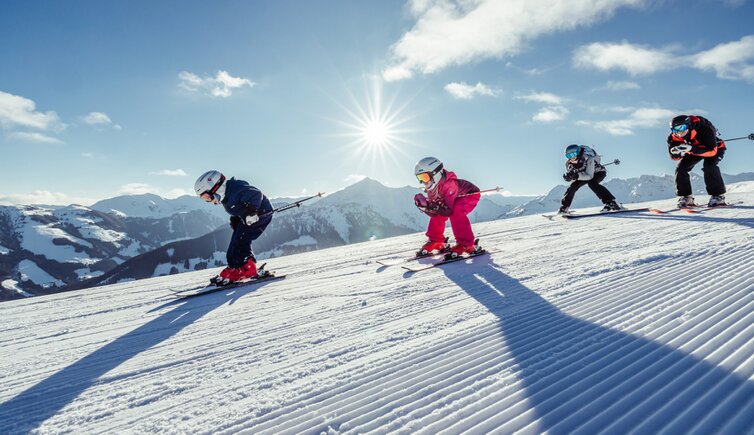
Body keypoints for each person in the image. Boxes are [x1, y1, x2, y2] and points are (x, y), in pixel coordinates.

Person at [194, 170, 273, 284]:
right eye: (205, 199)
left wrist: (251, 212)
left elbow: (256, 194)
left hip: (260, 216)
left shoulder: (236, 190)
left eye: (207, 197)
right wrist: (236, 218)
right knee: (236, 241)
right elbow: (240, 206)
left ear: (215, 187)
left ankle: (247, 268)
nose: (209, 201)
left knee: (241, 241)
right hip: (247, 218)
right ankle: (235, 267)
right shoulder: (227, 195)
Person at [413, 157, 481, 258]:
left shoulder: (449, 184)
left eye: (425, 177)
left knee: (456, 211)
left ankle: (466, 244)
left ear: (435, 173)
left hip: (469, 195)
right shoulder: (431, 189)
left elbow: (448, 211)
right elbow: (435, 213)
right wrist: (425, 207)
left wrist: (433, 207)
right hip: (452, 198)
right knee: (439, 212)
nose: (423, 182)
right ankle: (436, 240)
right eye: (420, 178)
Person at [667, 115, 727, 207]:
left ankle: (718, 196)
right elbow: (674, 158)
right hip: (693, 151)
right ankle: (686, 197)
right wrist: (676, 153)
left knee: (709, 166)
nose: (679, 132)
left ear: (689, 125)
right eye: (675, 129)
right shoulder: (673, 138)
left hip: (714, 149)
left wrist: (691, 149)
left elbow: (712, 152)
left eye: (682, 127)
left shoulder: (704, 129)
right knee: (681, 168)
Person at [559, 144, 621, 214]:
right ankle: (564, 207)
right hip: (583, 175)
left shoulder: (588, 159)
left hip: (598, 172)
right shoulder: (569, 164)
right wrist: (569, 178)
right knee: (573, 186)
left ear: (578, 152)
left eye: (573, 154)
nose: (572, 157)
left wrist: (576, 176)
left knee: (592, 183)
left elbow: (589, 176)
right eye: (568, 156)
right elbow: (575, 178)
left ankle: (610, 203)